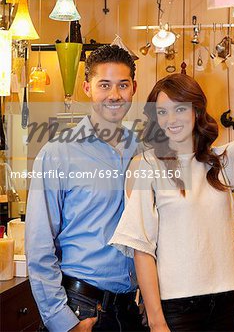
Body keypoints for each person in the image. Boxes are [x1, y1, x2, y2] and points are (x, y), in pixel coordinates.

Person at [109, 24, 234, 332]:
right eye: (161, 113)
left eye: (179, 109)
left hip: (222, 303)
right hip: (176, 310)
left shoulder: (219, 161)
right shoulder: (147, 166)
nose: (170, 120)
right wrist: (156, 322)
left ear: (196, 111)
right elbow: (141, 248)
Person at [25, 45, 146, 332]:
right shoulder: (57, 153)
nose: (114, 95)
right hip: (81, 309)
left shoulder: (143, 150)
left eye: (122, 85)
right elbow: (39, 246)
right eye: (104, 85)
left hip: (130, 309)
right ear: (87, 88)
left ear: (134, 88)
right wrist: (63, 323)